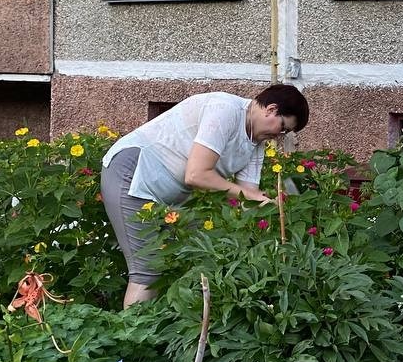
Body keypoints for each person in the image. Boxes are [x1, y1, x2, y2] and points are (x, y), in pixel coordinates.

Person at [101, 84, 309, 308]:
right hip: (134, 174)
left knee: (195, 254)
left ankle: (160, 333)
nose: (279, 136)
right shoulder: (225, 111)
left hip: (167, 196)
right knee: (147, 271)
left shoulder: (254, 144)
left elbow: (248, 198)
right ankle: (132, 336)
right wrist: (251, 196)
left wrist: (271, 212)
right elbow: (196, 175)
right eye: (283, 128)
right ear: (271, 109)